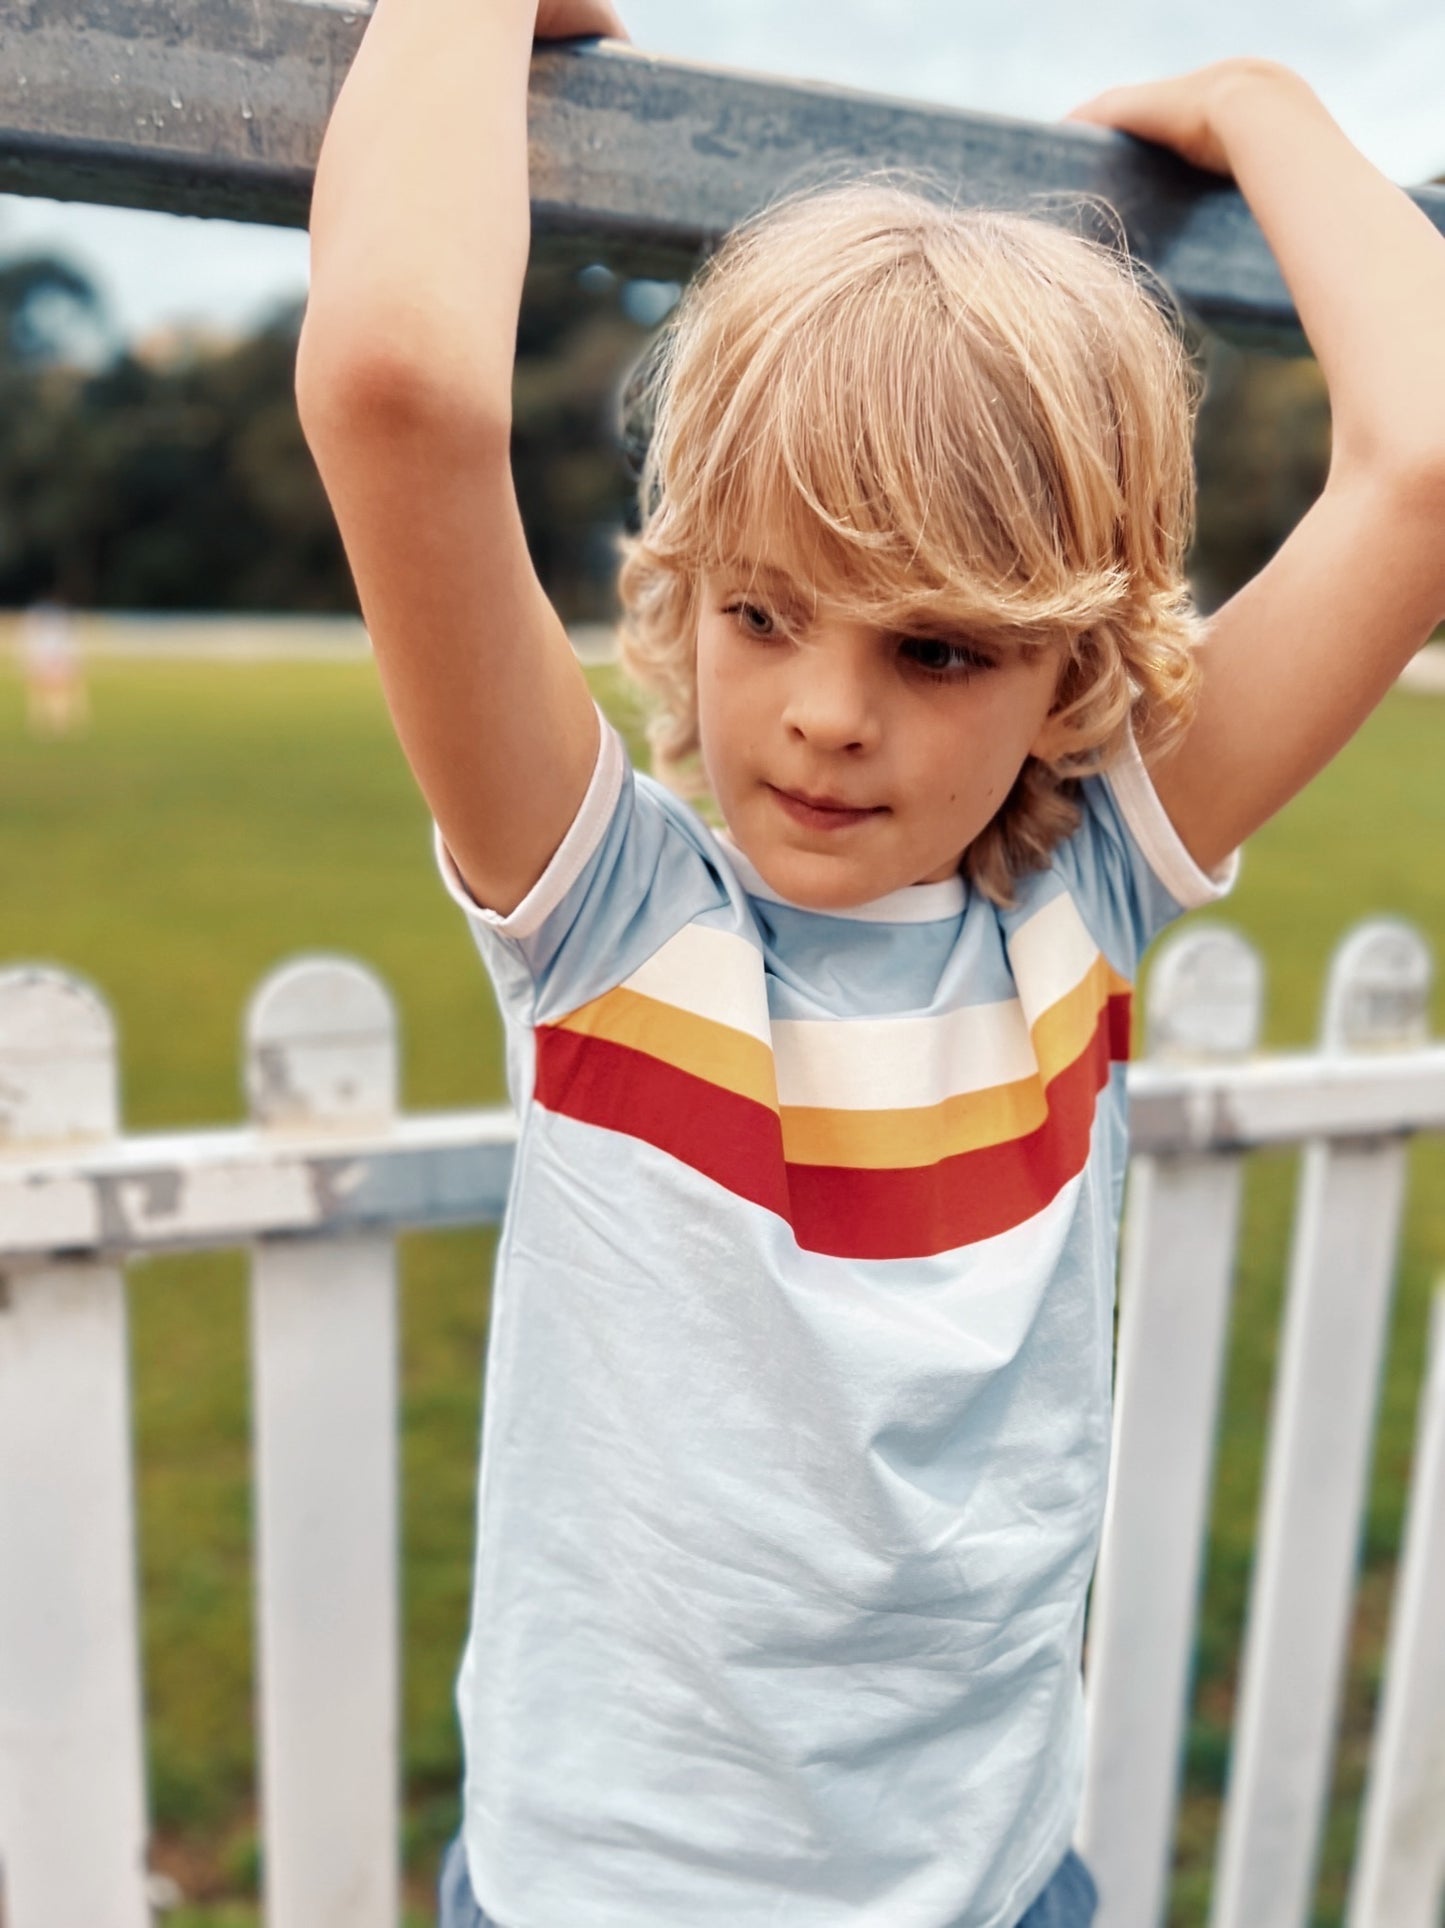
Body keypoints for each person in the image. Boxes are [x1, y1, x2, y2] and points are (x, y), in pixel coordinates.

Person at [295, 0, 1445, 1918]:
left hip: (997, 1891)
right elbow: (402, 388)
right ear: (685, 590)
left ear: (1069, 671)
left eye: (936, 650)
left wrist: (1258, 105)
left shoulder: (1081, 896)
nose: (826, 717)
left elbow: (1420, 472)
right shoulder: (609, 920)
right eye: (765, 612)